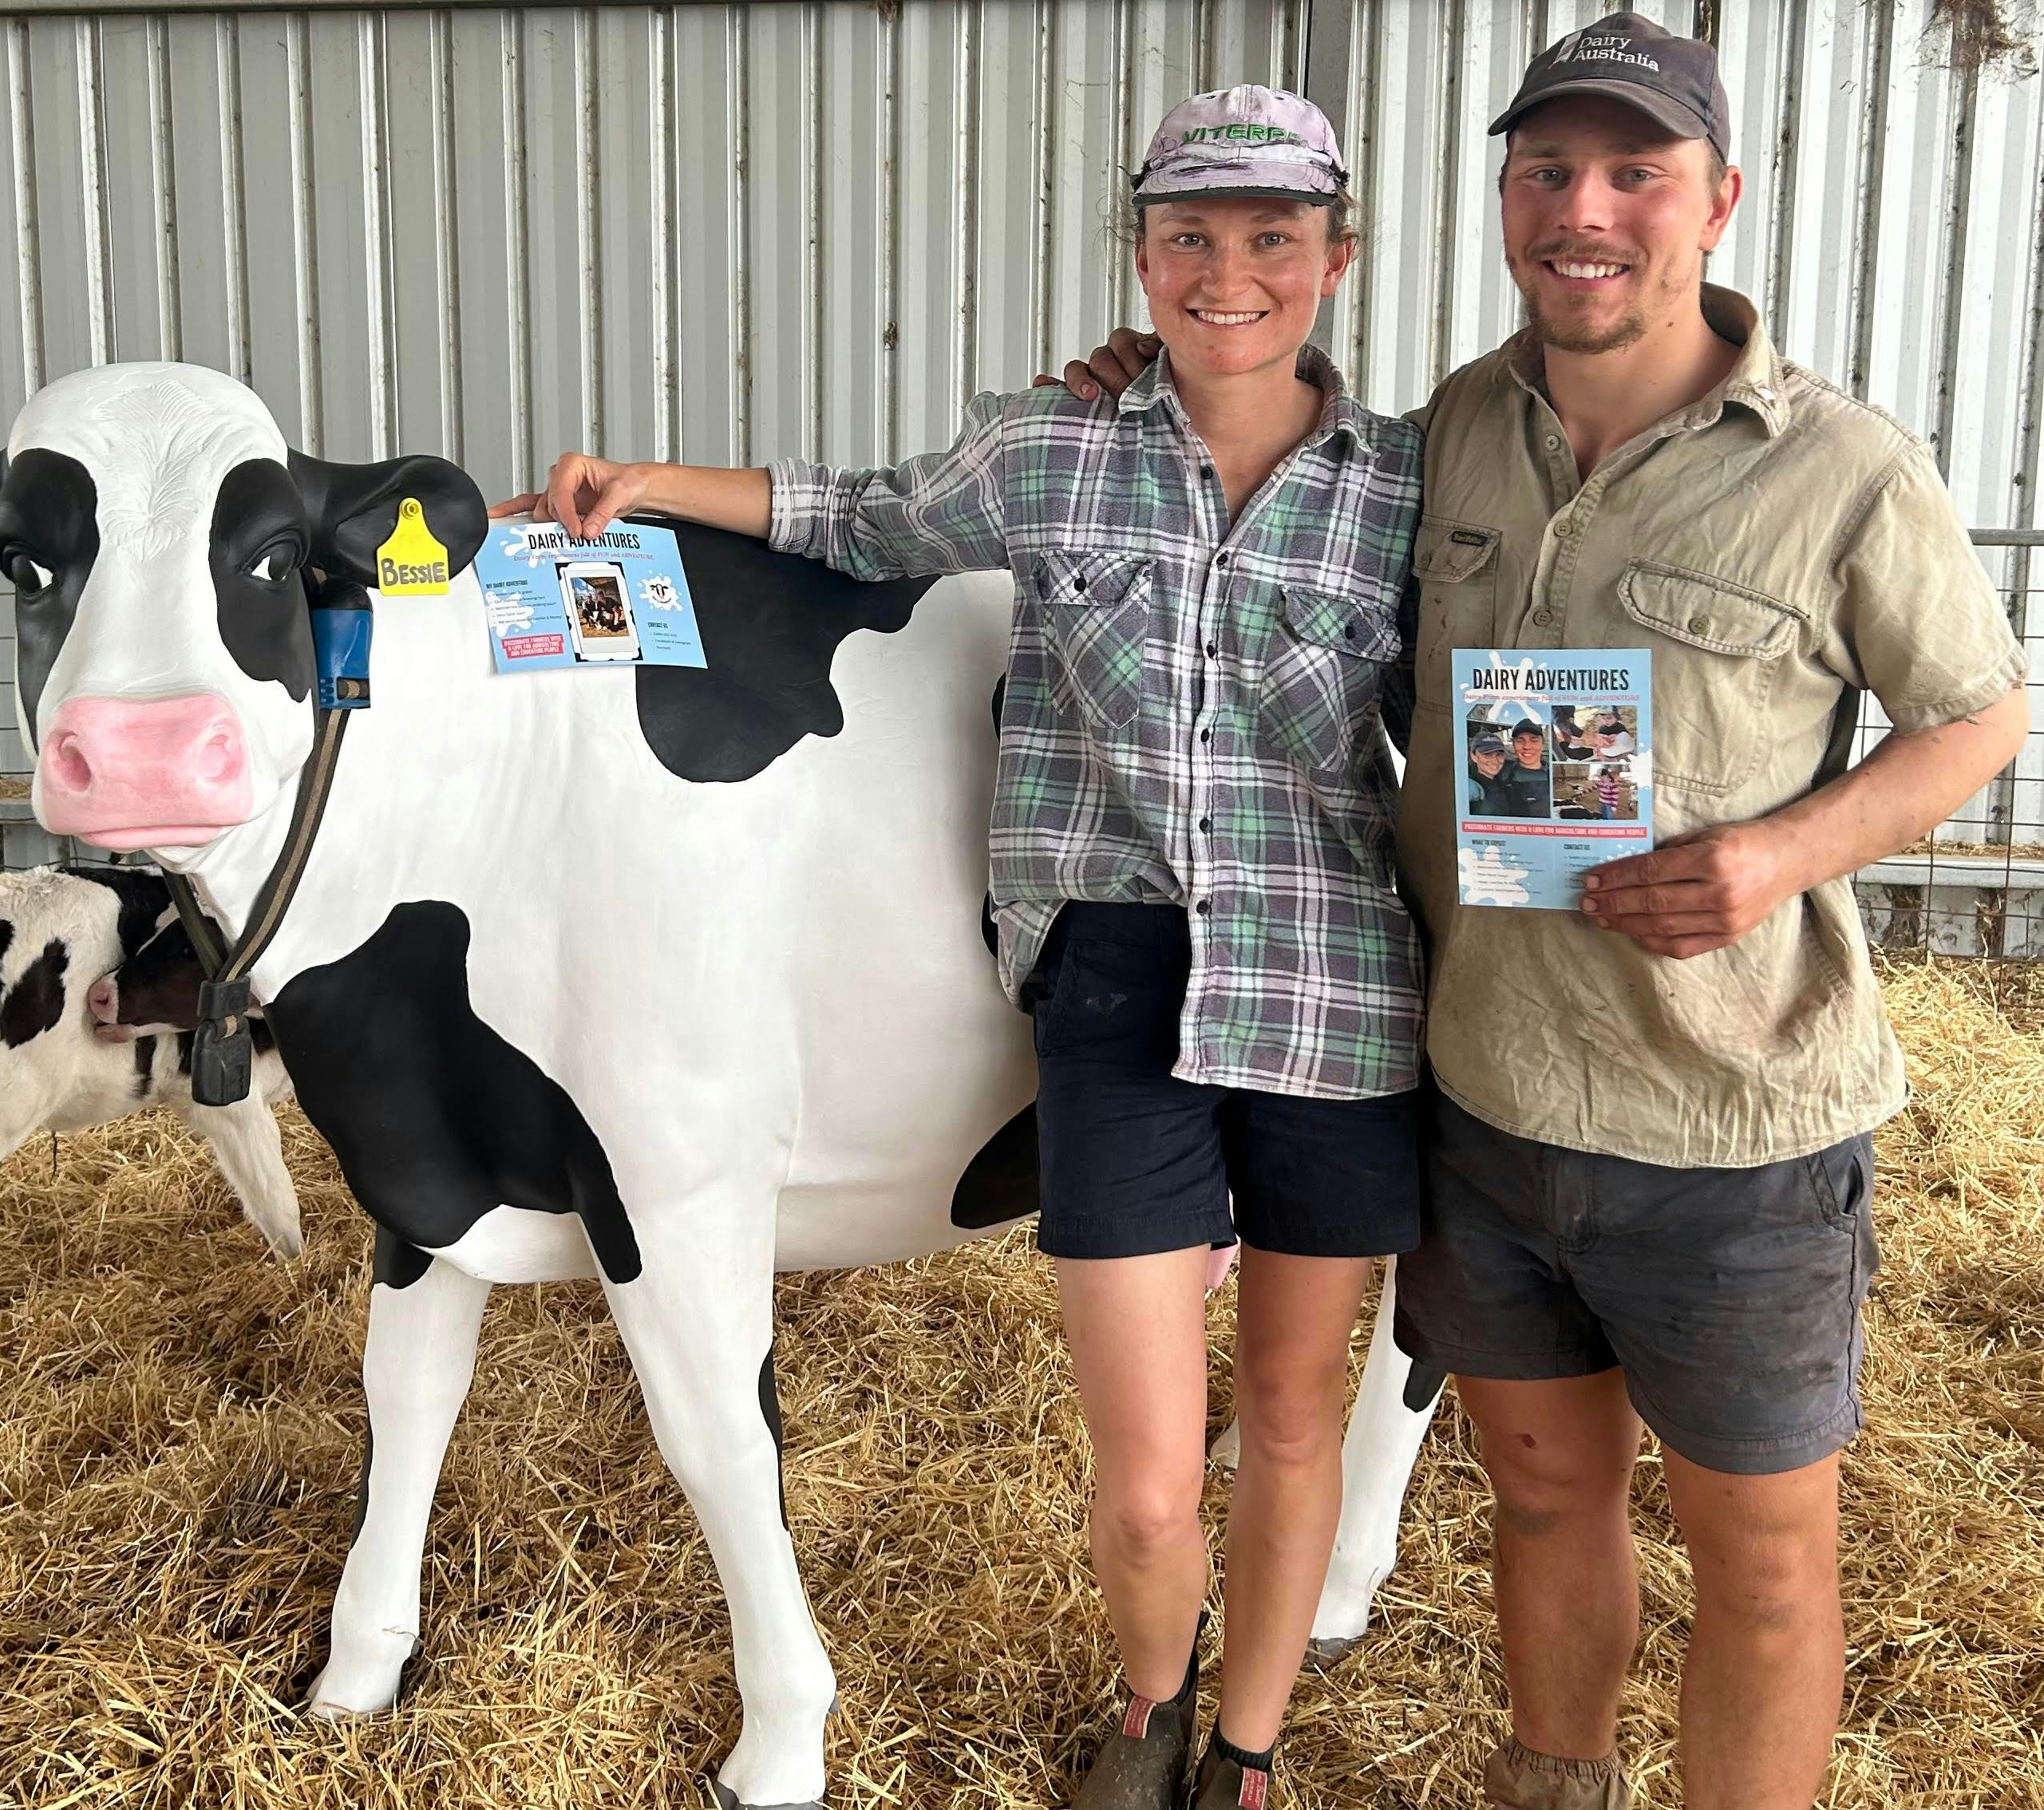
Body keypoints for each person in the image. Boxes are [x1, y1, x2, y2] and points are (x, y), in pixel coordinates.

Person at [1047, 14, 2027, 1809]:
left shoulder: (1840, 466)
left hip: (1731, 1128)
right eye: (1546, 171)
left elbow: (1982, 711)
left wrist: (1779, 855)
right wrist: (1151, 373)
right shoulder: (1444, 444)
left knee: (1766, 1567)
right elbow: (1264, 461)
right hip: (1488, 1103)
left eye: (1635, 172)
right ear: (1504, 199)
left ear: (1717, 201)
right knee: (1548, 1497)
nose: (1586, 210)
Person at [500, 86, 1425, 1810]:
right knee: (1151, 1477)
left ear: (1336, 257)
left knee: (1291, 1428)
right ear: (1142, 256)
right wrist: (643, 485)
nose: (1232, 273)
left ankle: (1243, 1747)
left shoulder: (1413, 492)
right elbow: (855, 516)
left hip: (1332, 989)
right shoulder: (1047, 448)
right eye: (1191, 237)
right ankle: (1154, 1702)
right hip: (1117, 991)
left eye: (1274, 237)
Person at [1468, 733, 1510, 810]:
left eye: (1499, 754)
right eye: (1487, 754)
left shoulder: (1506, 784)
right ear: (1473, 756)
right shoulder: (1469, 790)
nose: (1495, 761)